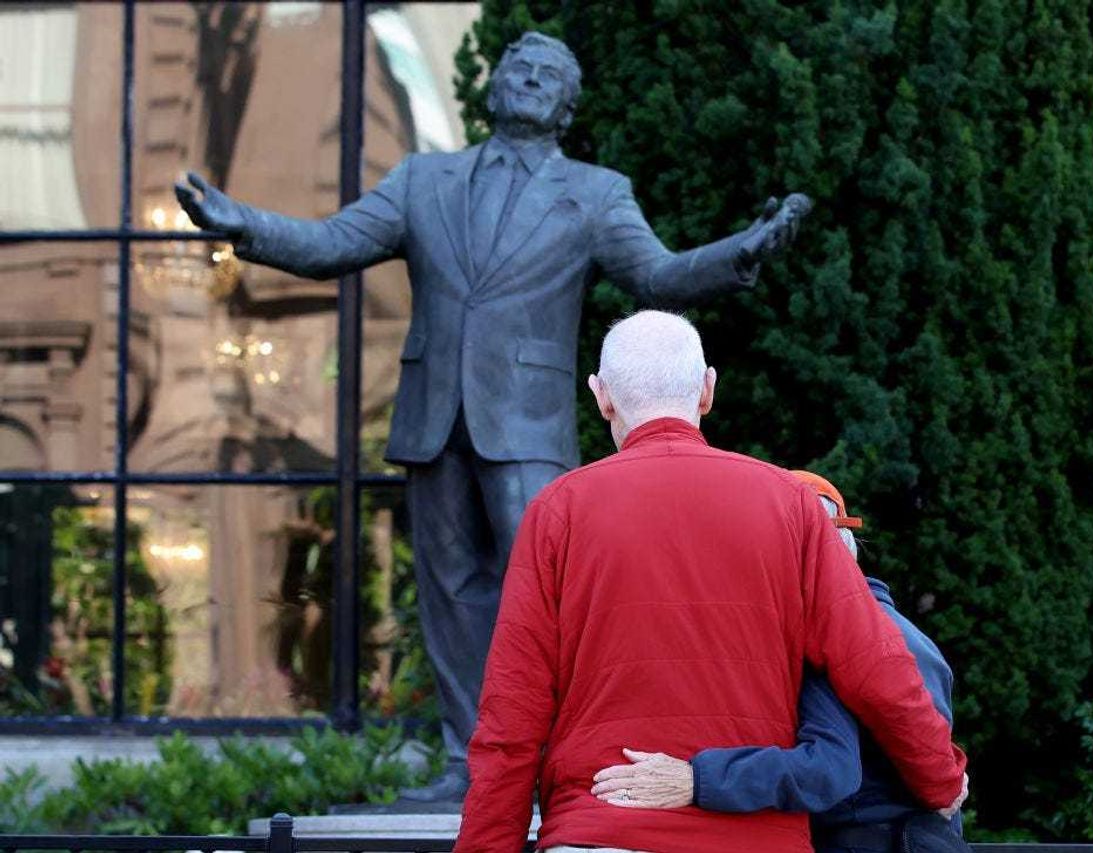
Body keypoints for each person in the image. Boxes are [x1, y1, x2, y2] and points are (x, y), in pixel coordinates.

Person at [174, 32, 811, 804]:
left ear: (567, 106)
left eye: (549, 76)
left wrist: (742, 250)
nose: (531, 80)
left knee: (550, 594)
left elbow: (658, 274)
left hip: (528, 425)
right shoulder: (424, 179)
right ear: (495, 86)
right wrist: (238, 220)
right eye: (520, 68)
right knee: (449, 596)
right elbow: (332, 244)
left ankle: (561, 759)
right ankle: (468, 764)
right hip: (433, 418)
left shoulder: (596, 191)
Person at [455, 311, 966, 853]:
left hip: (601, 830)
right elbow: (877, 668)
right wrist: (939, 776)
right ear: (707, 390)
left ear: (601, 396)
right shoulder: (790, 505)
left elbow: (510, 721)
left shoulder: (558, 510)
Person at [590, 471, 971, 853]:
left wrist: (694, 779)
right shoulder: (909, 633)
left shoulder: (833, 643)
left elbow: (827, 770)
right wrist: (947, 781)